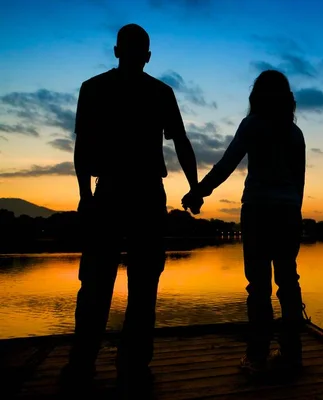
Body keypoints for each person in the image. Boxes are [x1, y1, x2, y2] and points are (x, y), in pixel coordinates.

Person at [60, 23, 199, 393]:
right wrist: (194, 187)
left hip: (113, 194)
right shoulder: (158, 92)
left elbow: (82, 147)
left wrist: (85, 194)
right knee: (139, 282)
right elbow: (181, 143)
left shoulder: (95, 88)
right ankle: (132, 361)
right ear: (146, 55)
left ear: (117, 51)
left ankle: (86, 360)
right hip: (143, 195)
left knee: (97, 281)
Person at [182, 70, 306, 376]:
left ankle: (256, 356)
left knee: (259, 287)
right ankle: (292, 354)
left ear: (257, 96)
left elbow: (226, 164)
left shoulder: (252, 125)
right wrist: (295, 212)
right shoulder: (295, 133)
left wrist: (199, 191)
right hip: (289, 212)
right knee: (288, 283)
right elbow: (299, 181)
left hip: (258, 212)